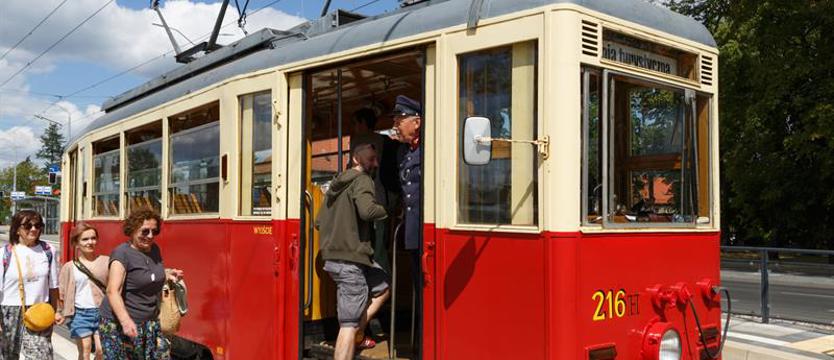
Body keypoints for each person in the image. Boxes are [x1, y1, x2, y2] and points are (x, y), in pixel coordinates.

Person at [317, 143, 390, 360]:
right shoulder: (363, 180)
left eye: (376, 159)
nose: (375, 163)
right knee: (347, 325)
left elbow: (319, 222)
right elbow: (367, 211)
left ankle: (357, 328)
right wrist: (388, 210)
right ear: (357, 159)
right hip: (350, 261)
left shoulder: (335, 185)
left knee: (383, 287)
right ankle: (352, 333)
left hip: (335, 259)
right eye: (370, 159)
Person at [99, 208, 183, 360]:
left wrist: (167, 274)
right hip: (120, 325)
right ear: (132, 230)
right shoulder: (122, 254)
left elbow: (147, 275)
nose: (150, 236)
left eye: (154, 231)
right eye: (145, 231)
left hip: (150, 323)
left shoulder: (154, 249)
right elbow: (112, 291)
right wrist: (125, 322)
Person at [1, 210, 62, 359]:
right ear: (16, 229)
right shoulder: (5, 253)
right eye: (28, 225)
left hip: (39, 309)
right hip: (9, 311)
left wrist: (57, 310)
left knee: (42, 355)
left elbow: (53, 285)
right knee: (10, 356)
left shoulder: (48, 251)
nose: (34, 229)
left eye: (38, 225)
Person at [390, 94, 423, 355]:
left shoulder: (428, 149)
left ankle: (423, 345)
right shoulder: (402, 151)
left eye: (401, 119)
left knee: (426, 292)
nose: (396, 124)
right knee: (417, 289)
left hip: (426, 232)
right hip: (412, 233)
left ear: (417, 122)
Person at [58, 223, 109, 360]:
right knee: (85, 351)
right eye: (85, 239)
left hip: (102, 312)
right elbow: (61, 292)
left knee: (101, 351)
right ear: (76, 243)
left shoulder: (106, 261)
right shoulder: (69, 267)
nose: (90, 242)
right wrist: (60, 312)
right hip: (80, 314)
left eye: (93, 238)